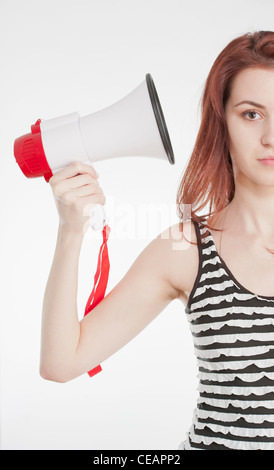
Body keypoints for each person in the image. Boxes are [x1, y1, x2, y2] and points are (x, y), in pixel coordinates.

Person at [40, 30, 274, 450]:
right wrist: (71, 229)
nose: (271, 137)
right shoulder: (186, 248)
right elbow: (62, 363)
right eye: (252, 114)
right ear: (222, 123)